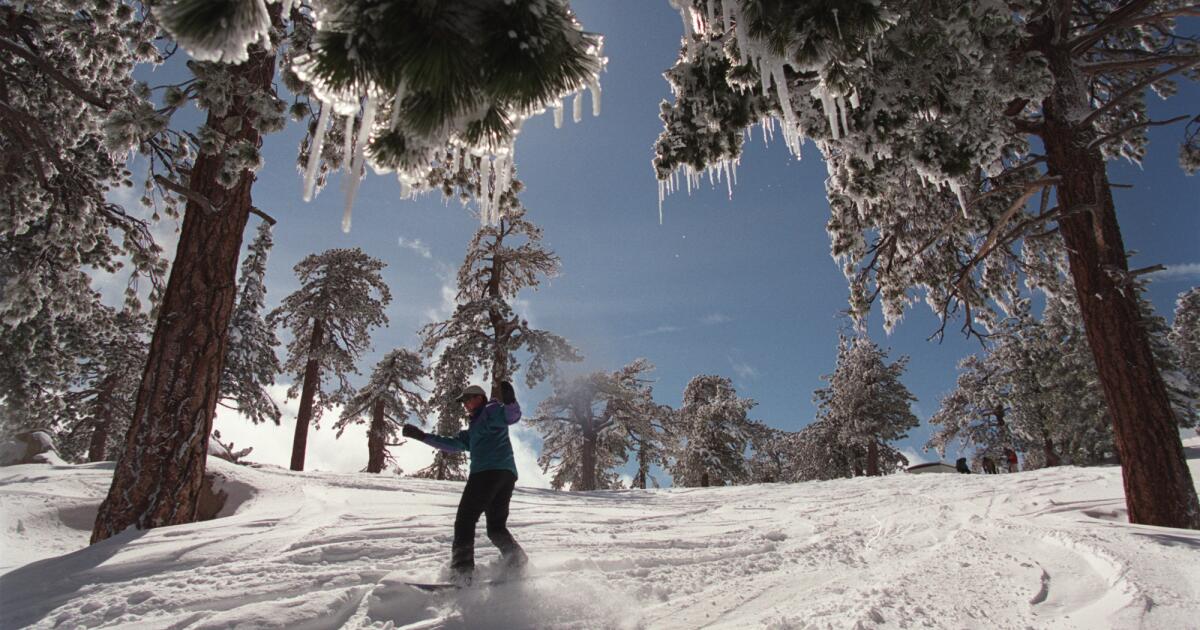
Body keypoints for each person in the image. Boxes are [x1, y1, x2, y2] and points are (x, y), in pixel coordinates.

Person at [402, 381, 527, 585]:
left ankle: (462, 573)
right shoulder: (473, 429)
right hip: (505, 474)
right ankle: (518, 562)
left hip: (487, 472)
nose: (465, 404)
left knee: (465, 520)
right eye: (464, 402)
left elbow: (511, 416)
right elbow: (452, 445)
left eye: (467, 399)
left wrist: (511, 401)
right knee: (495, 528)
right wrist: (422, 436)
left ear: (479, 398)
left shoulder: (491, 410)